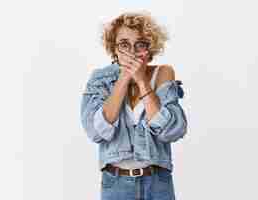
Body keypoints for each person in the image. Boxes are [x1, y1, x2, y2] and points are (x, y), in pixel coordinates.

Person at [80, 11, 187, 200]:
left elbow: (171, 131)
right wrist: (124, 78)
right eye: (124, 44)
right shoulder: (100, 79)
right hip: (116, 184)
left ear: (150, 48)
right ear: (114, 48)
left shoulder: (163, 73)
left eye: (140, 44)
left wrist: (141, 80)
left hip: (157, 183)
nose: (132, 51)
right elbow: (96, 132)